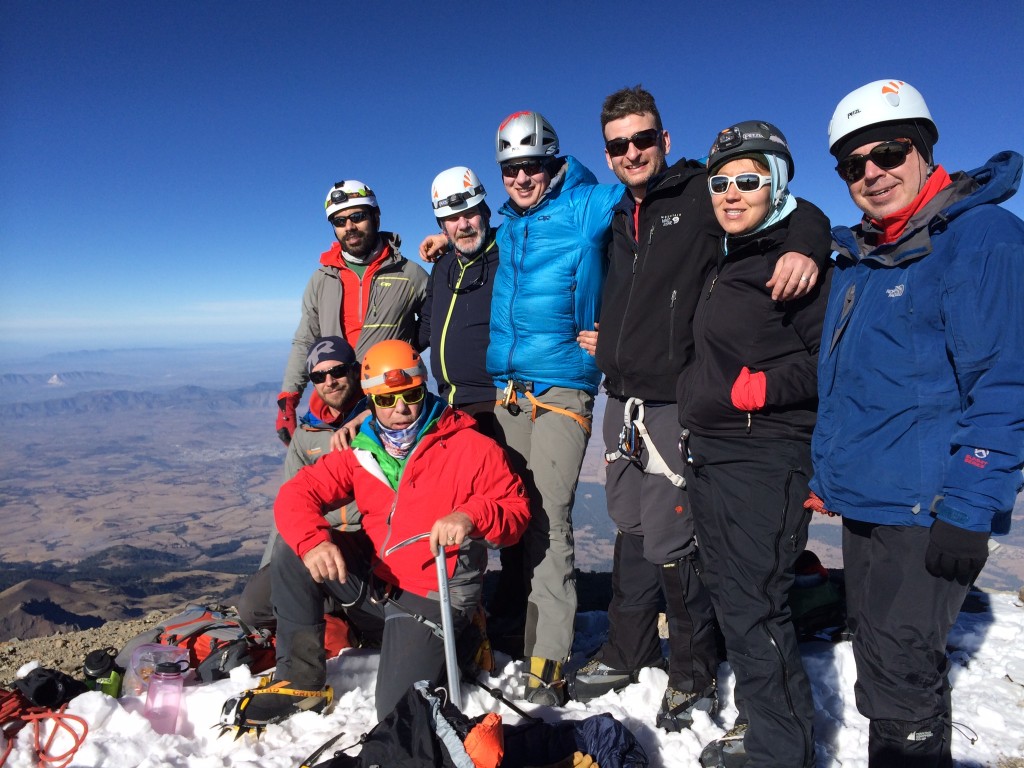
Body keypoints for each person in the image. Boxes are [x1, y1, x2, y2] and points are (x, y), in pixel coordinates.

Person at [573, 86, 829, 733]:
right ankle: (627, 650)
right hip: (620, 397)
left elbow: (792, 212)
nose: (631, 152)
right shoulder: (618, 219)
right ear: (607, 154)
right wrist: (612, 339)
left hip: (670, 401)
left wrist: (807, 245)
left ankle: (692, 671)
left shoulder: (698, 196)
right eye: (617, 144)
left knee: (671, 542)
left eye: (642, 139)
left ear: (663, 140)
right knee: (630, 529)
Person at [811, 79, 1024, 767]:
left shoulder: (981, 238)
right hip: (872, 502)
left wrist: (971, 501)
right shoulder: (865, 259)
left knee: (901, 671)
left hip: (931, 506)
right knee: (881, 656)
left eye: (889, 152)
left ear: (925, 149)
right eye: (853, 165)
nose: (872, 173)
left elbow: (1007, 379)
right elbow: (864, 387)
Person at [232, 340, 530, 727]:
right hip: (379, 584)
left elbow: (515, 512)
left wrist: (471, 515)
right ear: (371, 399)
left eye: (411, 394)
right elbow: (297, 493)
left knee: (394, 713)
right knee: (295, 546)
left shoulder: (470, 447)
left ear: (424, 390)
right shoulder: (364, 450)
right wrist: (314, 542)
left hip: (433, 596)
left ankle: (463, 642)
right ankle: (300, 681)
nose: (401, 409)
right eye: (388, 400)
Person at [676, 121, 832, 768]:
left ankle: (781, 750)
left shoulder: (794, 266)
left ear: (778, 183)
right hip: (713, 451)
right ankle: (769, 729)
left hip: (764, 454)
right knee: (736, 599)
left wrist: (762, 388)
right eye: (721, 182)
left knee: (755, 607)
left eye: (749, 180)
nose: (731, 193)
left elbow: (832, 359)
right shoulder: (727, 254)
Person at [488, 110, 622, 704]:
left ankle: (549, 659)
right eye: (511, 169)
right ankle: (521, 633)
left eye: (532, 167)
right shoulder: (508, 226)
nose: (521, 178)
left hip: (562, 390)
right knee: (512, 518)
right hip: (510, 392)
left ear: (552, 164)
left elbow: (655, 190)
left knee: (550, 519)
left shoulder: (585, 204)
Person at [275, 180, 428, 445]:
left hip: (387, 405)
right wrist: (289, 397)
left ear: (375, 217)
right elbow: (305, 340)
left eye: (358, 217)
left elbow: (437, 324)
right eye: (339, 221)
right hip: (336, 404)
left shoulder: (409, 274)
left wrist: (405, 351)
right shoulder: (322, 279)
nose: (349, 227)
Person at [238, 336, 365, 628]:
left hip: (369, 542)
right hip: (325, 540)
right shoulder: (306, 434)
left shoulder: (382, 418)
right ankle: (334, 623)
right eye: (319, 376)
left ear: (355, 371)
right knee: (254, 607)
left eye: (338, 371)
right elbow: (292, 503)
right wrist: (276, 565)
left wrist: (365, 417)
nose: (330, 381)